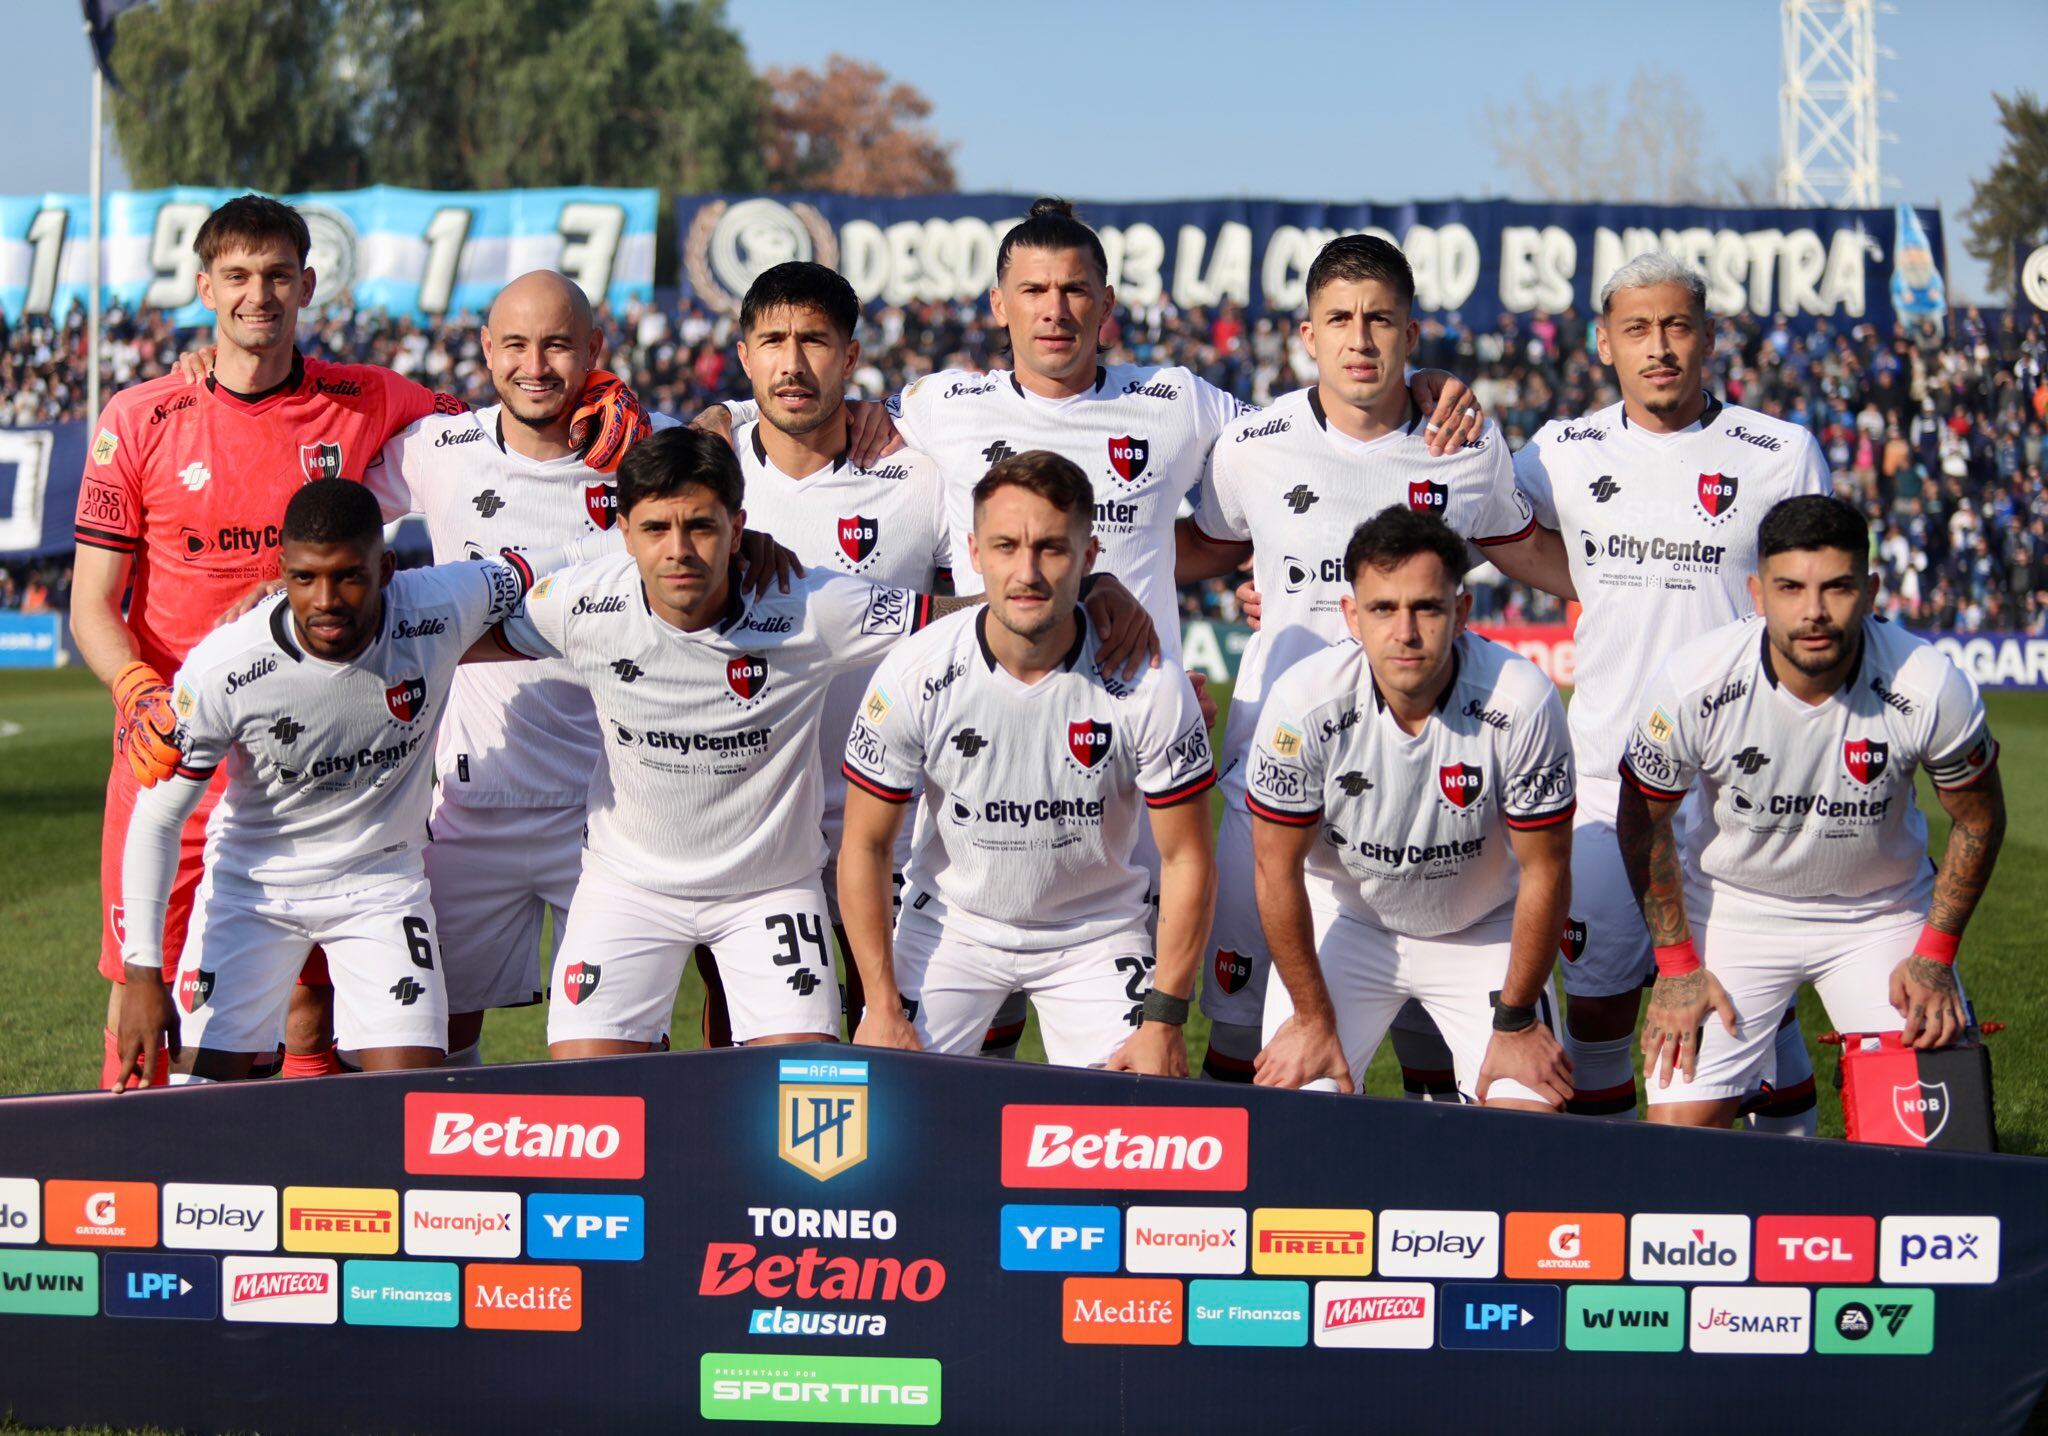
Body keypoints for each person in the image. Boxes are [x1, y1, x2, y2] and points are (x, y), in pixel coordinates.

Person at [474, 427, 1152, 1055]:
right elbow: (463, 636)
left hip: (768, 892)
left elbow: (950, 613)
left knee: (803, 1091)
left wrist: (1086, 588)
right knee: (587, 1087)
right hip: (627, 887)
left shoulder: (809, 605)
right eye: (656, 529)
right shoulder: (582, 603)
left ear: (739, 528)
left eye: (702, 527)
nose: (678, 550)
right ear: (624, 533)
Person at [71, 195, 467, 1088]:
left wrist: (615, 398)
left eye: (279, 276)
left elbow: (499, 435)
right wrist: (138, 691)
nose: (261, 295)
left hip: (323, 760)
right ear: (205, 286)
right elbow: (92, 604)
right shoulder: (140, 418)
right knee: (144, 1002)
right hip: (178, 756)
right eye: (240, 277)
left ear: (308, 285)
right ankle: (137, 1204)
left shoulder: (367, 400)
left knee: (317, 1008)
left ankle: (313, 1209)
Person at [1176, 233, 1577, 1082]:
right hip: (1275, 767)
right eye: (1340, 320)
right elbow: (1202, 548)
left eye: (1380, 320)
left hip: (1426, 764)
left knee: (1430, 1019)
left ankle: (1428, 1204)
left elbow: (1527, 552)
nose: (1360, 339)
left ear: (1410, 333)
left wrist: (1640, 581)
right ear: (1308, 336)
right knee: (1245, 1030)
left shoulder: (1463, 444)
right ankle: (1230, 1206)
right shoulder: (1254, 445)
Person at [109, 480, 582, 1085]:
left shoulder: (440, 602)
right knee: (198, 1095)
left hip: (379, 883)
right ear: (281, 574)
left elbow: (564, 558)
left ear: (386, 568)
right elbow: (157, 820)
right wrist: (144, 975)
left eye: (348, 576)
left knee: (412, 1096)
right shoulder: (225, 666)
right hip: (253, 891)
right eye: (304, 578)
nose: (325, 599)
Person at [1512, 252, 1833, 1125]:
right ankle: (1599, 1199)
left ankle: (1786, 1185)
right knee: (1601, 1002)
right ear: (1604, 344)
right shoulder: (1561, 451)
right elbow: (1471, 531)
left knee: (1748, 999)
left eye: (1677, 326)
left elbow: (1820, 594)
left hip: (1740, 785)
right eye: (1637, 329)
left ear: (1708, 337)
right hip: (1606, 776)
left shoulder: (1778, 453)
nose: (1659, 347)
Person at [1616, 495, 2004, 1126]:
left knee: (1934, 1140)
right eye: (1790, 588)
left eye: (1838, 588)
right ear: (1757, 593)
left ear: (1872, 591)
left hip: (1881, 915)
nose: (1814, 611)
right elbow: (1642, 821)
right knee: (1678, 1146)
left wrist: (1934, 955)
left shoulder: (1928, 685)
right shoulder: (1695, 683)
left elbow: (1979, 818)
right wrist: (1679, 966)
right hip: (1736, 910)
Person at [838, 450, 1216, 1072]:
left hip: (1095, 934)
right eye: (1007, 546)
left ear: (1090, 557)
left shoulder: (1148, 683)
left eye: (1052, 548)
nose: (1028, 571)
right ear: (975, 553)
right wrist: (880, 1005)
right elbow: (865, 847)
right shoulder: (916, 671)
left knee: (1147, 1112)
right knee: (881, 1110)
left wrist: (1166, 1017)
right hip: (951, 928)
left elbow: (1187, 857)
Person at [364, 270, 658, 1067]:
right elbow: (328, 487)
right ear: (488, 353)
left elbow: (750, 460)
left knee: (616, 1065)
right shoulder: (440, 451)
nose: (537, 365)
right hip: (470, 804)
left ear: (597, 350)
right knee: (430, 1051)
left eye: (560, 344)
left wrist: (697, 422)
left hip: (614, 814)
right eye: (517, 345)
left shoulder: (649, 452)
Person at [1248, 507, 1576, 1108]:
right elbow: (1275, 868)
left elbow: (1547, 870)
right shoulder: (1303, 702)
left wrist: (1517, 1022)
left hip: (1485, 929)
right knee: (1297, 1108)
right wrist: (1313, 1019)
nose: (1405, 631)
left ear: (1461, 614)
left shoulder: (1521, 699)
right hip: (1348, 919)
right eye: (1382, 609)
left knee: (1528, 1116)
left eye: (1426, 607)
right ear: (1352, 616)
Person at [730, 261, 951, 1017]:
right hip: (754, 813)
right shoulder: (707, 472)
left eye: (816, 341)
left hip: (896, 811)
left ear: (851, 357)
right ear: (743, 354)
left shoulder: (921, 475)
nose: (792, 363)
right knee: (755, 1041)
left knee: (893, 1033)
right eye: (773, 341)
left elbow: (986, 605)